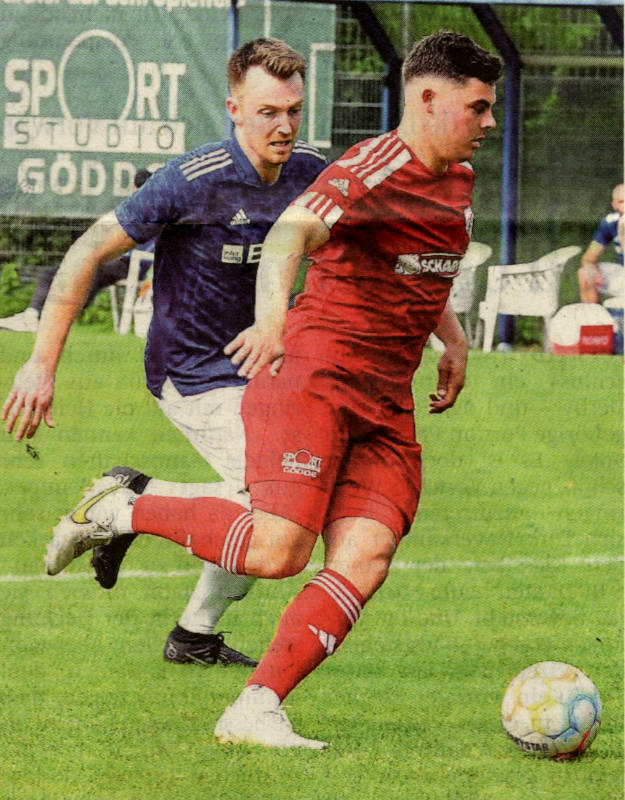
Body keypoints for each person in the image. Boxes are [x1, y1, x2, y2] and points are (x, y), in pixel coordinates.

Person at [37, 31, 501, 749]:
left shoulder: (432, 176)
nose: (489, 122)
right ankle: (125, 509)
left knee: (363, 556)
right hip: (261, 375)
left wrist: (455, 340)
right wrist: (271, 320)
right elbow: (287, 237)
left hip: (378, 400)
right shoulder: (332, 169)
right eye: (478, 107)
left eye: (292, 110)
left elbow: (416, 258)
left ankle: (252, 701)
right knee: (278, 542)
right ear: (429, 99)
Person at [2, 38, 326, 668]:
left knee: (285, 507)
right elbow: (86, 252)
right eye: (267, 112)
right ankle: (123, 508)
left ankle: (193, 631)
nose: (284, 125)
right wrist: (40, 364)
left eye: (292, 109)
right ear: (234, 108)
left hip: (268, 374)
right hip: (193, 372)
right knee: (278, 506)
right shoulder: (192, 180)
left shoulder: (313, 170)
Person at [0, 169, 154, 333]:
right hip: (109, 257)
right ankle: (31, 315)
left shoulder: (155, 212)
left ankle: (56, 320)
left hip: (129, 263)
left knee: (89, 273)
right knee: (49, 273)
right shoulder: (128, 209)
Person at [578, 182, 624, 304]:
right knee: (585, 273)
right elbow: (588, 258)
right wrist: (591, 269)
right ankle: (595, 321)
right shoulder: (610, 222)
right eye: (621, 202)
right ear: (614, 205)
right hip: (622, 274)